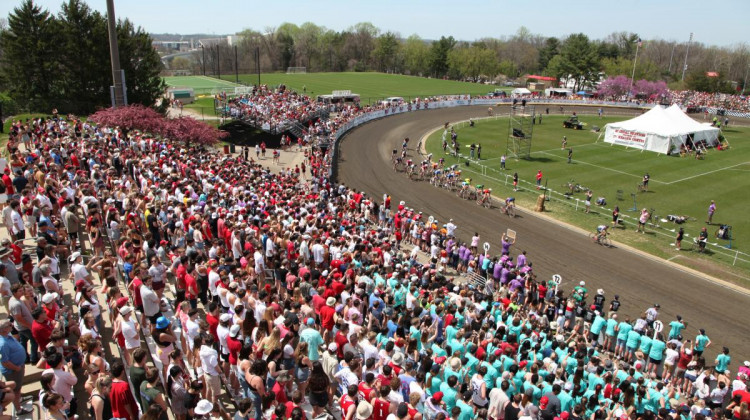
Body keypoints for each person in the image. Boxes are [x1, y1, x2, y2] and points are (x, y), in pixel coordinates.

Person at [0, 320, 27, 414]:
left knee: (18, 388)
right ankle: (19, 409)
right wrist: (17, 368)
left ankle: (19, 399)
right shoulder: (3, 344)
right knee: (16, 390)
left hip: (18, 367)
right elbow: (5, 362)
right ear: (4, 330)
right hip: (13, 371)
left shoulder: (8, 335)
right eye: (9, 325)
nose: (12, 325)